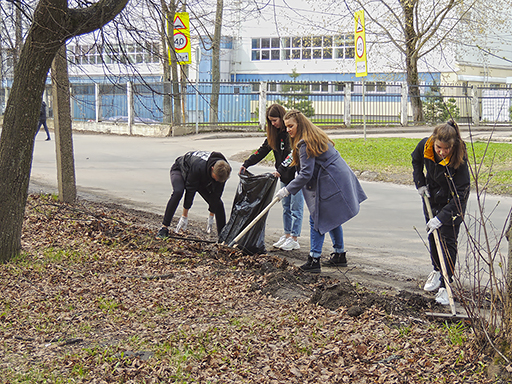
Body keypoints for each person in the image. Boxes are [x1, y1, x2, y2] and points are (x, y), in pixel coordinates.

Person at [274, 109, 367, 273]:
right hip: (338, 177)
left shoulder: (304, 143)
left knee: (317, 217)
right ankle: (339, 254)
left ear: (299, 124)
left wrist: (287, 190)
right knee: (331, 217)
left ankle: (314, 259)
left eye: (291, 126)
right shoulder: (314, 135)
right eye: (286, 126)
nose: (287, 129)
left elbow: (306, 174)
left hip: (331, 181)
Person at [412, 119, 470, 305]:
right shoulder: (425, 145)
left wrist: (442, 217)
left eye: (446, 149)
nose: (442, 152)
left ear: (453, 146)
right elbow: (416, 161)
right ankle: (437, 271)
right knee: (432, 235)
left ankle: (447, 284)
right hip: (431, 197)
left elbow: (461, 194)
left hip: (452, 204)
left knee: (448, 242)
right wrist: (420, 184)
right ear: (434, 141)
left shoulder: (459, 160)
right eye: (439, 147)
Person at [240, 104, 304, 251]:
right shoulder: (274, 135)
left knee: (296, 208)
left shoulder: (292, 133)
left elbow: (292, 155)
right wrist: (247, 163)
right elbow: (262, 150)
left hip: (296, 176)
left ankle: (294, 238)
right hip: (283, 177)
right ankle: (287, 234)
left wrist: (281, 169)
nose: (273, 124)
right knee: (285, 207)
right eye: (271, 121)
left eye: (275, 120)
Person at [156, 150, 232, 239]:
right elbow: (190, 190)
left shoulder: (224, 170)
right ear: (212, 169)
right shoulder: (198, 166)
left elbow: (217, 193)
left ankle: (222, 237)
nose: (217, 182)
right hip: (181, 170)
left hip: (202, 178)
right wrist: (184, 215)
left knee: (218, 204)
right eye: (216, 179)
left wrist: (211, 214)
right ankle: (164, 228)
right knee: (178, 192)